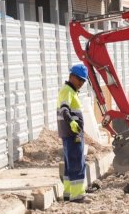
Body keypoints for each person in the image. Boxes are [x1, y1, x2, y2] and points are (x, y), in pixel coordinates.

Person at [57, 63, 88, 203]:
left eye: (83, 80)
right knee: (77, 163)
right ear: (71, 76)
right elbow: (64, 110)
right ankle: (78, 195)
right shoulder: (67, 91)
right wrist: (72, 122)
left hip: (70, 134)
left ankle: (69, 193)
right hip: (73, 133)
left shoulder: (71, 91)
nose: (81, 83)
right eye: (79, 79)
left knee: (70, 164)